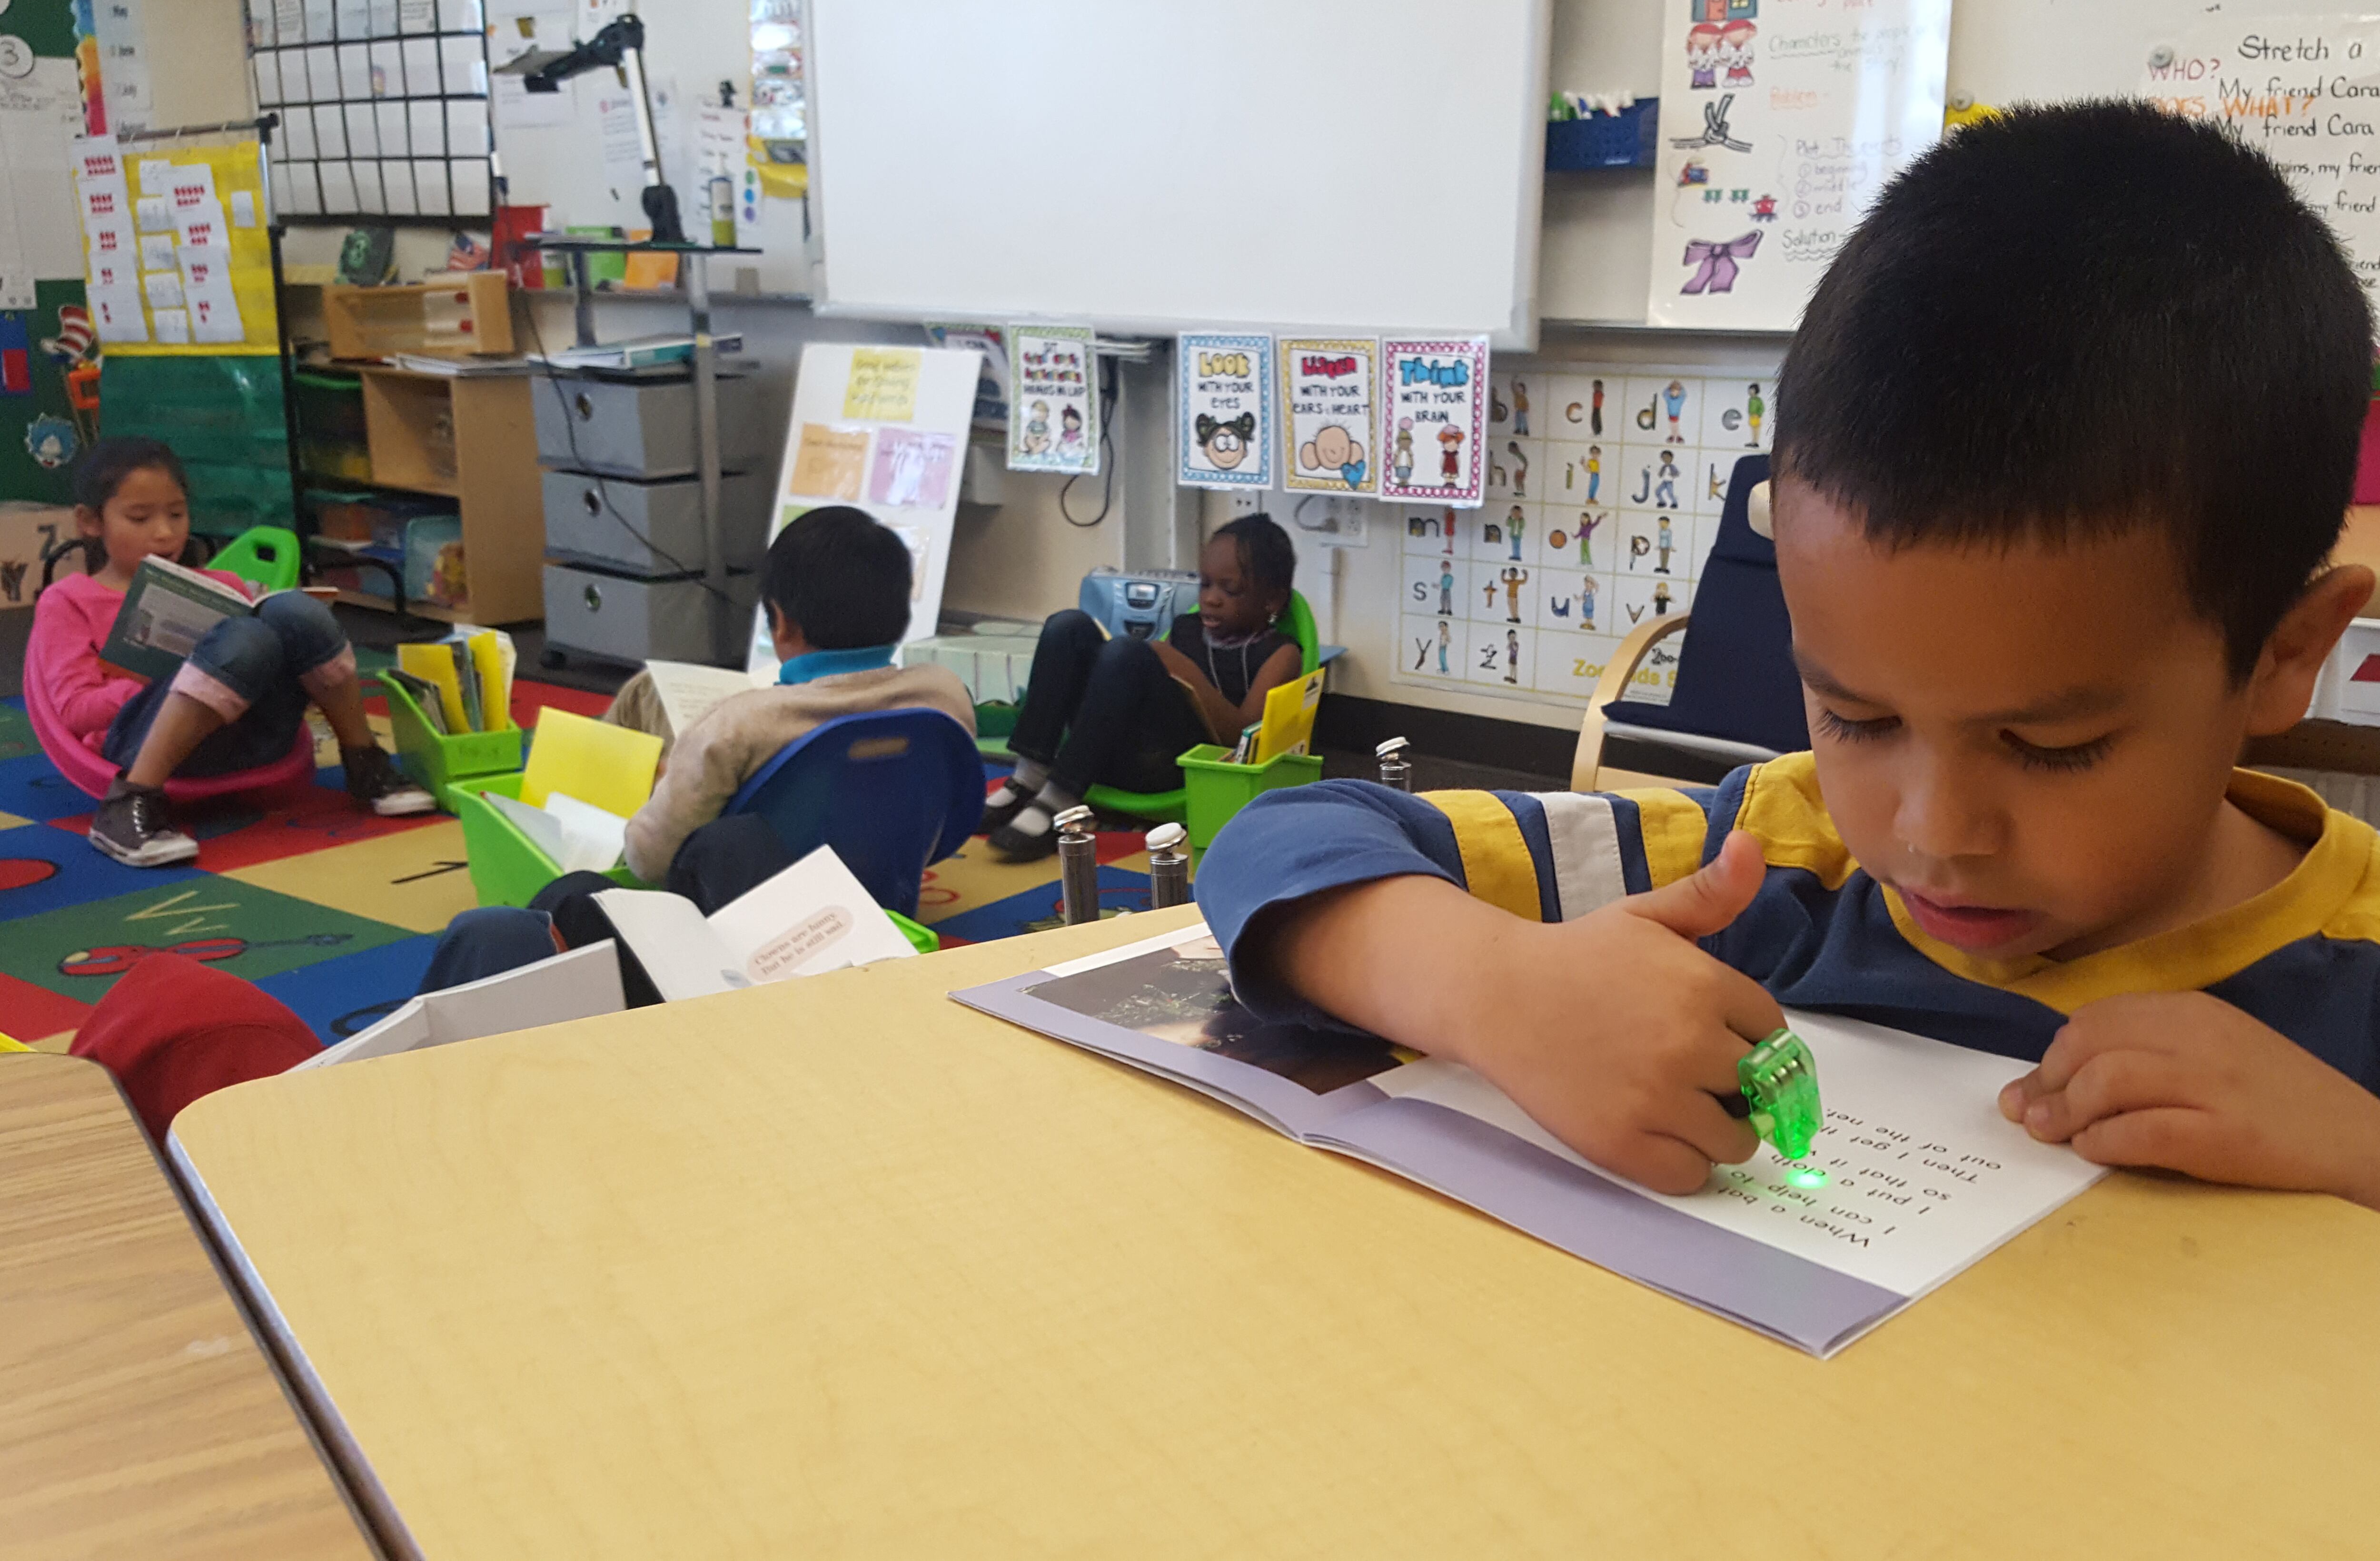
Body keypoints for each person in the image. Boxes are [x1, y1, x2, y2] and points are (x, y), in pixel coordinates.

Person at [1195, 103, 2380, 1211]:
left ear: (2286, 653)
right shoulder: (1773, 856)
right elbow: (1272, 843)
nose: (1932, 832)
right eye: (1856, 718)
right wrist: (1498, 992)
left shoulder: (2356, 961)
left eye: (2048, 745)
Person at [31, 437, 432, 867]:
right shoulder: (69, 600)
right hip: (144, 749)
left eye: (177, 514)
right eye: (139, 517)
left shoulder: (222, 583)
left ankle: (366, 763)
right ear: (91, 522)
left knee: (293, 611)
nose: (165, 532)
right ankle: (129, 805)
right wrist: (165, 681)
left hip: (248, 734)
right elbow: (73, 711)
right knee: (244, 639)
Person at [607, 505, 974, 883]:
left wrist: (660, 791)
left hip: (747, 907)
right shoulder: (945, 696)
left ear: (780, 621)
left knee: (643, 693)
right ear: (902, 614)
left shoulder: (734, 726)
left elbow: (649, 861)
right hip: (886, 880)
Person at [981, 515, 1299, 861]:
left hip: (1172, 770)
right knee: (1068, 625)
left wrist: (1183, 670)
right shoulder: (1186, 628)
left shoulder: (1281, 654)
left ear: (1273, 600)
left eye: (1230, 589)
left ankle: (1060, 798)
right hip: (1105, 750)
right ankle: (1029, 776)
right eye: (1205, 584)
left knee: (1126, 651)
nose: (1211, 599)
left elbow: (1244, 742)